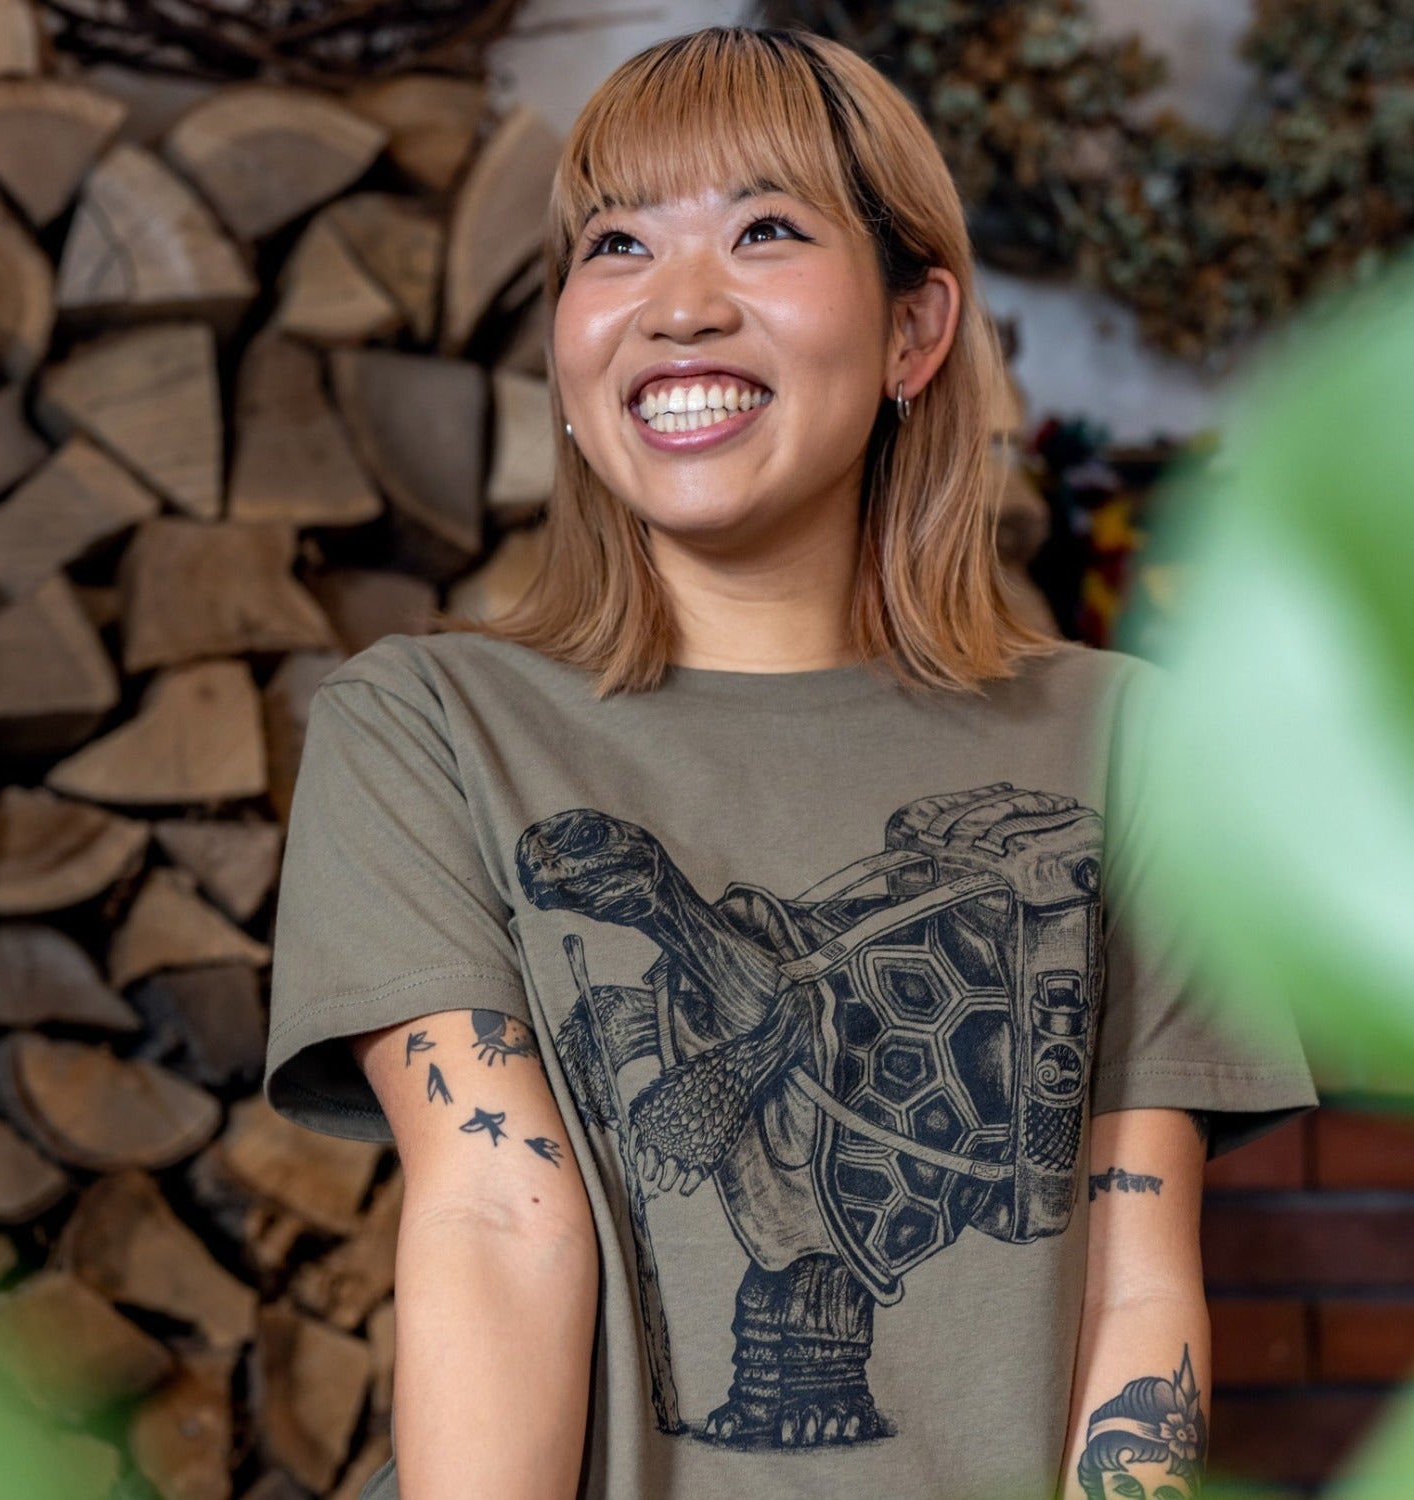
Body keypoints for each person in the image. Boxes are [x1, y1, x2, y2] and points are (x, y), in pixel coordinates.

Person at [265, 26, 1317, 1500]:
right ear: (566, 354)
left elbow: (1134, 1281)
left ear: (913, 332)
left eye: (764, 229)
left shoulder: (1126, 748)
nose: (677, 305)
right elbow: (497, 1217)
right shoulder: (431, 725)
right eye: (615, 245)